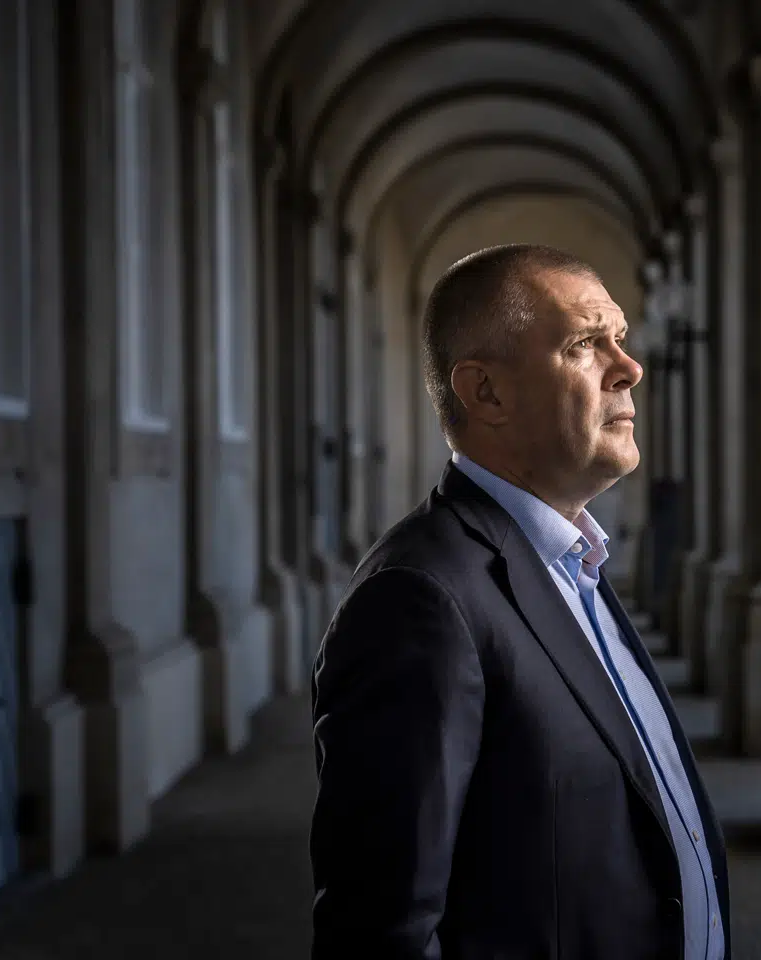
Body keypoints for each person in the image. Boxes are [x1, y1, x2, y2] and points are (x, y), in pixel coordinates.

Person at [309, 244, 730, 959]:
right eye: (584, 345)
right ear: (486, 393)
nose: (629, 368)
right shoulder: (419, 600)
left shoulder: (574, 560)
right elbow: (379, 929)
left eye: (620, 338)